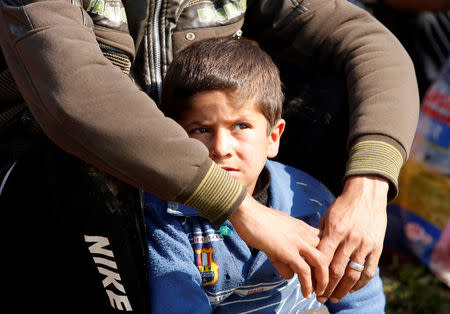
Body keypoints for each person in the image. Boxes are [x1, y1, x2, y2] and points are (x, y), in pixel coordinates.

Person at [0, 0, 418, 312]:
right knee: (77, 170)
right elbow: (74, 99)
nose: (224, 143)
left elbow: (368, 43)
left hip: (193, 182)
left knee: (335, 93)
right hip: (66, 182)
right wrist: (242, 210)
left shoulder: (303, 190)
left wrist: (368, 190)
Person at [145, 37, 386, 313]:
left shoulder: (311, 200)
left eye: (240, 126)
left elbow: (360, 300)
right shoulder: (169, 215)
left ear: (273, 137)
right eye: (201, 129)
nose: (221, 148)